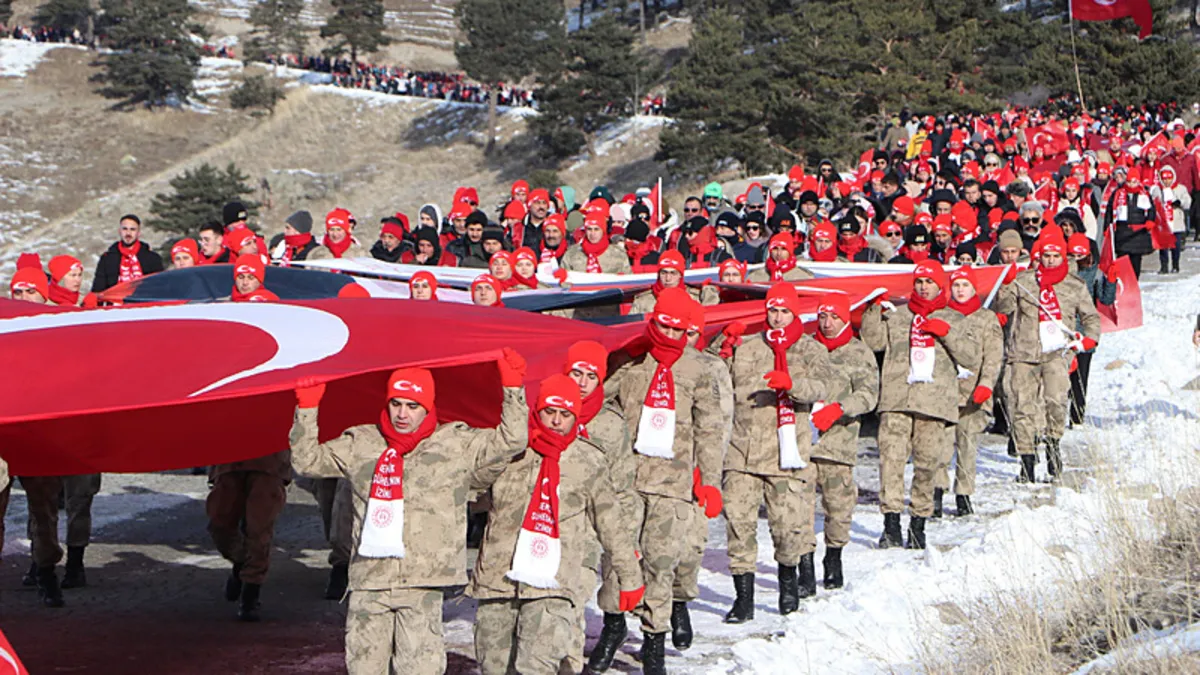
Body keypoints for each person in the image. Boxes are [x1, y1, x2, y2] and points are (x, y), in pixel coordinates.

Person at [289, 351, 530, 675]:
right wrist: (307, 409)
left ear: (428, 407)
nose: (403, 414)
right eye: (396, 404)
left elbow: (512, 439)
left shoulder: (454, 443)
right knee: (364, 667)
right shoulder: (362, 442)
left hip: (423, 580)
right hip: (370, 579)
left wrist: (513, 387)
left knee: (419, 668)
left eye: (413, 406)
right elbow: (307, 462)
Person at [471, 374, 644, 675]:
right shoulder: (511, 452)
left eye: (565, 415)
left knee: (536, 668)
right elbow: (471, 490)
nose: (555, 421)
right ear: (536, 411)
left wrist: (629, 577)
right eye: (549, 412)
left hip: (554, 583)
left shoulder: (589, 461)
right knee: (494, 667)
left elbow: (611, 522)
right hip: (499, 580)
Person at [607, 288, 724, 674]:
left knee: (660, 563)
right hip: (626, 478)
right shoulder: (629, 361)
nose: (671, 335)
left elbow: (710, 429)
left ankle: (653, 640)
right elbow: (597, 403)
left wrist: (709, 481)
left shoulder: (698, 369)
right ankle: (612, 626)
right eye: (665, 327)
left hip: (672, 484)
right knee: (617, 559)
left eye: (679, 330)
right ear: (652, 322)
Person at [720, 283, 833, 622]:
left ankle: (788, 582)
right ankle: (744, 599)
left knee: (787, 530)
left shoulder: (810, 350)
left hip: (787, 455)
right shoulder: (751, 347)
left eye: (784, 311)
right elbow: (723, 384)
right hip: (743, 450)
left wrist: (792, 386)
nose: (778, 318)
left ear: (795, 313)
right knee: (739, 526)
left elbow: (823, 386)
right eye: (773, 311)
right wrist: (723, 350)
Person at [860, 260, 976, 549]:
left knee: (927, 466)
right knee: (891, 462)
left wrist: (946, 332)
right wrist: (873, 309)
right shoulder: (897, 316)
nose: (924, 287)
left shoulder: (956, 318)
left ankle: (918, 525)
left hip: (934, 404)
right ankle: (891, 525)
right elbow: (872, 342)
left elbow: (971, 357)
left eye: (929, 282)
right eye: (919, 282)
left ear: (940, 285)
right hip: (897, 400)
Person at [994, 228, 1101, 482]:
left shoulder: (1074, 285)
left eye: (1055, 255)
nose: (1050, 260)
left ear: (1063, 257)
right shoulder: (1025, 281)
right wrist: (1007, 283)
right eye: (1046, 255)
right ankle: (1026, 459)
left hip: (1056, 353)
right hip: (1023, 352)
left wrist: (1089, 339)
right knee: (1022, 406)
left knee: (1056, 401)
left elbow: (1091, 317)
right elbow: (1005, 307)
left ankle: (1053, 442)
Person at [558, 342, 637, 673]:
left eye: (591, 376)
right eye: (576, 373)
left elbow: (622, 488)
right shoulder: (549, 411)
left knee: (570, 606)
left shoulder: (610, 424)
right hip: (549, 525)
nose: (582, 382)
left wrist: (624, 544)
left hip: (588, 531)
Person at [669, 298, 733, 649]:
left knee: (691, 544)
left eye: (693, 332)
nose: (687, 338)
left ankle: (680, 604)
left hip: (694, 469)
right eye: (681, 331)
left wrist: (708, 473)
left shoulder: (712, 368)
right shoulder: (650, 364)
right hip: (655, 469)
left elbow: (720, 424)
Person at [809, 293, 878, 589]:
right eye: (822, 317)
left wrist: (840, 408)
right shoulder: (807, 349)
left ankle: (833, 557)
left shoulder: (858, 353)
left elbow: (869, 395)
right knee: (795, 509)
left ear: (845, 319)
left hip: (838, 442)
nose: (827, 323)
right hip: (803, 443)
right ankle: (804, 564)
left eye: (834, 317)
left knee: (837, 506)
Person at [9, 268, 67, 607]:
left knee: (43, 509)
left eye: (31, 292)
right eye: (18, 292)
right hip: (5, 430)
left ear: (44, 295)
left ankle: (46, 569)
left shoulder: (54, 330)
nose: (24, 299)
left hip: (38, 432)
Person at [933, 267, 1003, 517]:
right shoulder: (941, 315)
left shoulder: (986, 318)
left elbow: (993, 356)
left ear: (974, 289)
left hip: (974, 394)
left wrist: (986, 384)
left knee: (967, 446)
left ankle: (964, 494)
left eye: (965, 285)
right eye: (956, 285)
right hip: (946, 393)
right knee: (940, 446)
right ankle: (937, 493)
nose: (961, 290)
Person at [90, 214, 164, 293]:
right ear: (119, 231)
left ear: (138, 233)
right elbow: (98, 289)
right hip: (116, 303)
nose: (128, 233)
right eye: (125, 229)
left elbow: (160, 287)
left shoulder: (152, 258)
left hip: (143, 302)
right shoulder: (107, 259)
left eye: (132, 229)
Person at [629, 251, 718, 315]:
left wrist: (709, 292)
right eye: (664, 273)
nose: (668, 278)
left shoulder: (694, 298)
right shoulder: (643, 301)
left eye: (673, 273)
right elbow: (631, 328)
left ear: (680, 275)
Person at [1107, 166, 1157, 279]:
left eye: (1134, 182)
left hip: (1138, 232)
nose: (1131, 185)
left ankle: (1134, 282)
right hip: (1122, 231)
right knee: (1122, 260)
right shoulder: (1118, 193)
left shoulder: (1144, 194)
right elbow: (1110, 211)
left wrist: (1150, 220)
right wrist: (1107, 227)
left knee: (1135, 261)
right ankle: (1123, 283)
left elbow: (1151, 210)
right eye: (1129, 182)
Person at [561, 210, 631, 274]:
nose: (592, 233)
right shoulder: (572, 253)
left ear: (603, 230)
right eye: (589, 229)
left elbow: (629, 280)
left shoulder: (618, 254)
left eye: (596, 229)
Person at [747, 233, 815, 282]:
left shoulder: (804, 277)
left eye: (783, 249)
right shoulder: (755, 276)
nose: (779, 253)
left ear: (790, 251)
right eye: (775, 249)